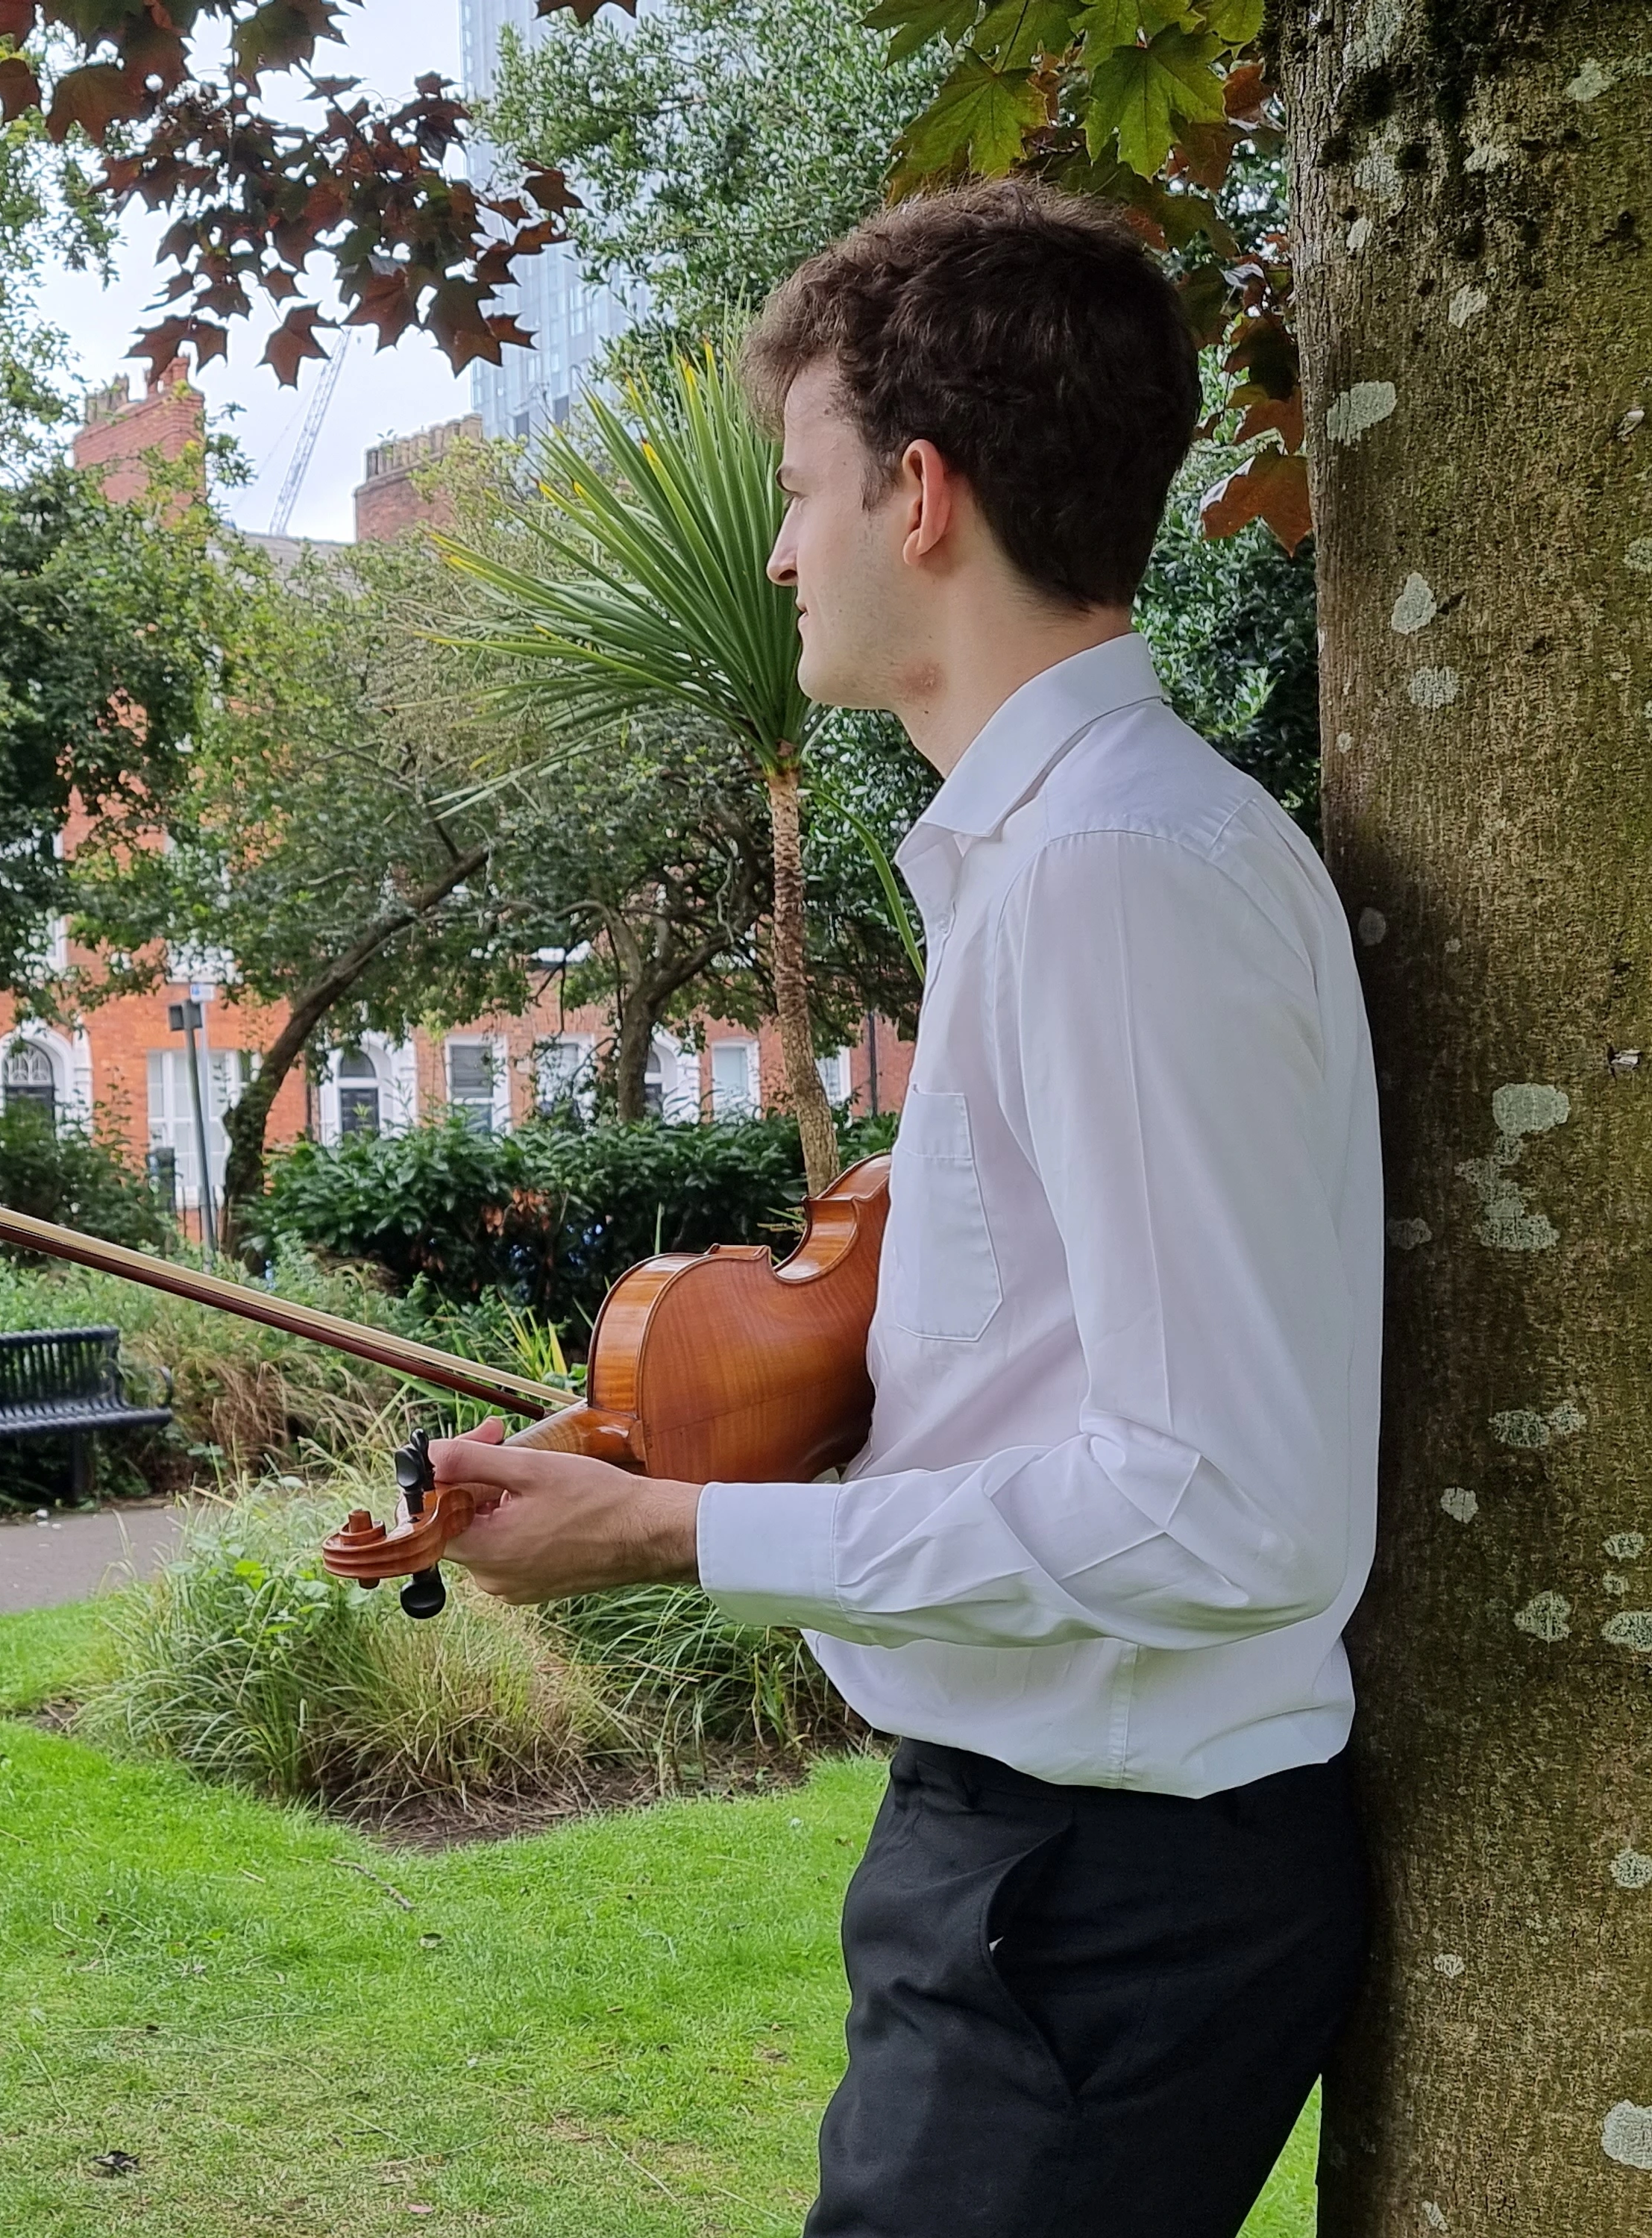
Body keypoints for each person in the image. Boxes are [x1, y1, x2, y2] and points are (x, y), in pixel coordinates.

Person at [429, 179, 1379, 2238]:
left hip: (1095, 1897)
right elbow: (1071, 1378)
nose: (779, 547)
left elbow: (1228, 1506)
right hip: (1052, 1873)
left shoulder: (1115, 879)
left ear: (920, 496)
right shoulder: (1084, 861)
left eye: (801, 485)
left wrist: (682, 1533)